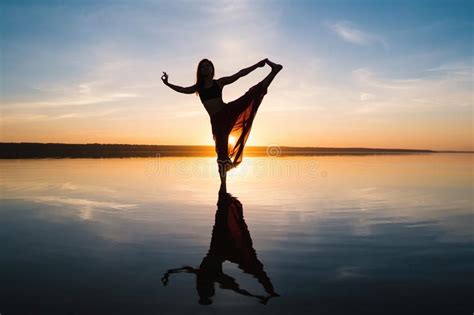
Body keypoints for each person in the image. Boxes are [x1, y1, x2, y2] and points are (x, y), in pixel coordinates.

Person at [162, 58, 282, 193]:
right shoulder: (198, 88)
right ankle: (223, 185)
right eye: (203, 67)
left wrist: (256, 65)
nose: (206, 68)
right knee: (221, 155)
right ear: (200, 71)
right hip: (217, 122)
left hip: (227, 112)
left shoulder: (219, 82)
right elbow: (183, 89)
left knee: (250, 95)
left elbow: (239, 74)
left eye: (208, 66)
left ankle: (274, 71)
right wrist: (167, 83)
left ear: (212, 69)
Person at [161, 190, 279, 305]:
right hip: (223, 247)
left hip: (219, 244)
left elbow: (184, 269)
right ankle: (270, 290)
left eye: (203, 290)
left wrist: (169, 274)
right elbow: (237, 289)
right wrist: (255, 296)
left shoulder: (203, 275)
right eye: (204, 290)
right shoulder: (211, 276)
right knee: (251, 264)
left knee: (252, 265)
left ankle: (270, 289)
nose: (201, 287)